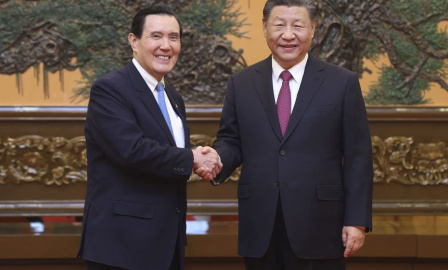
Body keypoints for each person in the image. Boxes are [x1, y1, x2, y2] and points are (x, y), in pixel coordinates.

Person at [197, 0, 373, 269]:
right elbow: (231, 140)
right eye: (279, 25)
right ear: (265, 28)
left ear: (313, 29)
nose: (288, 34)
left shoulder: (342, 83)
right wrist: (218, 157)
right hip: (260, 225)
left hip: (321, 225)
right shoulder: (242, 83)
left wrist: (356, 220)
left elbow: (358, 156)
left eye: (298, 25)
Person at [77, 5, 221, 270]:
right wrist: (192, 158)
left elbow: (166, 155)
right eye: (156, 36)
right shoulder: (110, 89)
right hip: (123, 245)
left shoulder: (173, 97)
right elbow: (131, 150)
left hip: (166, 242)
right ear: (134, 41)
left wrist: (201, 158)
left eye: (174, 37)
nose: (166, 45)